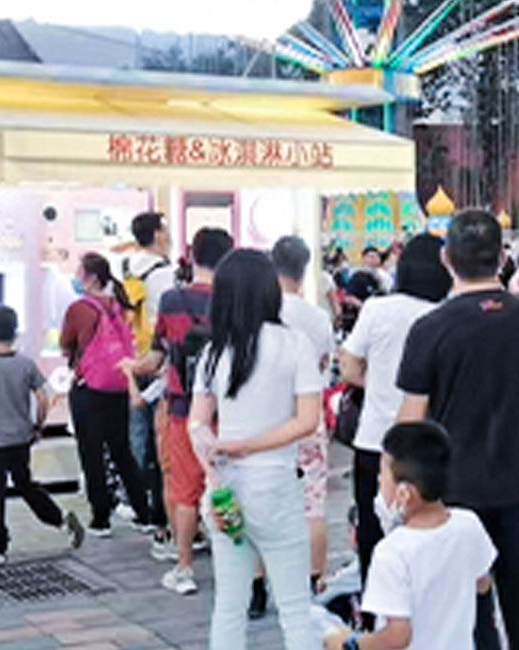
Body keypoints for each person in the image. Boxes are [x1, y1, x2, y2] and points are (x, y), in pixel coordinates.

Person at [397, 209, 519, 650]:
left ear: (447, 258)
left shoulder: (431, 329)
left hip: (454, 493)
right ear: (503, 256)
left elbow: (410, 425)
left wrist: (393, 486)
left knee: (467, 606)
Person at [190, 249, 323, 650]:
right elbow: (307, 421)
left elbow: (196, 424)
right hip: (275, 486)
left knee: (229, 606)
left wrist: (215, 466)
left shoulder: (214, 353)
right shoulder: (294, 344)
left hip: (224, 491)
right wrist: (248, 446)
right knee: (295, 609)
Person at [121, 227, 234, 595]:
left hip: (184, 408)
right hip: (229, 411)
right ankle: (234, 563)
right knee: (228, 486)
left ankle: (184, 567)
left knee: (184, 488)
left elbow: (157, 357)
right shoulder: (234, 303)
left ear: (193, 254)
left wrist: (132, 368)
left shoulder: (172, 300)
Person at [339, 234, 452, 588]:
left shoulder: (377, 309)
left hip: (375, 441)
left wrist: (378, 384)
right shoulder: (443, 315)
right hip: (428, 445)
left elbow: (348, 369)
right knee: (426, 538)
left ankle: (378, 617)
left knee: (374, 538)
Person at [325, 421, 496, 650]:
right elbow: (482, 583)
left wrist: (349, 644)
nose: (378, 484)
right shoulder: (468, 524)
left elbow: (397, 636)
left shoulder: (392, 553)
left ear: (405, 493)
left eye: (382, 477)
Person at [0, 306, 85, 565]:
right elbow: (44, 398)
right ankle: (60, 520)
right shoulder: (26, 365)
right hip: (20, 437)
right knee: (26, 484)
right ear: (15, 332)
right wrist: (37, 426)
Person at [60, 252, 150, 537]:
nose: (76, 276)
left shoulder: (80, 309)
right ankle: (143, 512)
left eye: (79, 271)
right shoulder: (117, 305)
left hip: (90, 391)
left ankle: (101, 518)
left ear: (91, 277)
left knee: (92, 453)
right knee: (122, 452)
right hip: (119, 387)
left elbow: (66, 345)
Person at [273, 236, 336, 594]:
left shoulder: (263, 314)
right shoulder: (316, 318)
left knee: (265, 503)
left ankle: (260, 583)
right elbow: (326, 362)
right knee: (313, 502)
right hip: (308, 416)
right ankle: (315, 577)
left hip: (268, 417)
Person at [122, 212, 174, 533]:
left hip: (132, 358)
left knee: (136, 434)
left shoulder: (127, 267)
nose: (167, 236)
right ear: (156, 234)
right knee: (161, 435)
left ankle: (133, 499)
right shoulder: (163, 274)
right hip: (158, 359)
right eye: (164, 231)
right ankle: (157, 507)